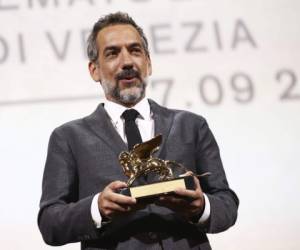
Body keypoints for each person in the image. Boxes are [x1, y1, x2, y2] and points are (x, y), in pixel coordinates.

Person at [38, 12, 239, 250]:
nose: (127, 62)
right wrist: (97, 208)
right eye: (112, 53)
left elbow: (226, 204)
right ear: (94, 70)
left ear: (149, 63)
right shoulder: (68, 137)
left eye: (135, 51)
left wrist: (201, 207)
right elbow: (50, 223)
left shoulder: (191, 125)